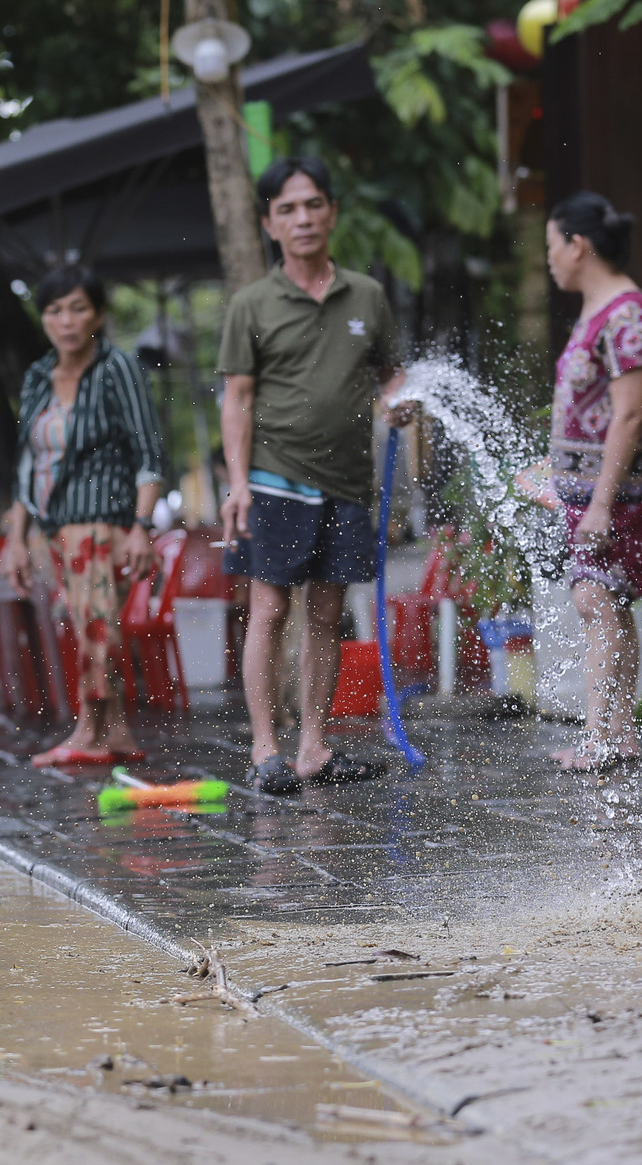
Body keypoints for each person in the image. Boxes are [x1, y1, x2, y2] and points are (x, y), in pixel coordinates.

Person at [219, 156, 409, 796]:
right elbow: (237, 397)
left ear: (331, 212)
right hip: (275, 479)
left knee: (327, 612)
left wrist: (402, 402)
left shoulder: (368, 296)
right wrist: (238, 483)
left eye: (313, 205)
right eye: (287, 209)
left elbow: (391, 378)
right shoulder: (252, 304)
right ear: (270, 224)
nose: (303, 219)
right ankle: (265, 748)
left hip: (348, 481)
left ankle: (313, 748)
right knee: (270, 608)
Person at [1, 264, 168, 768]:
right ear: (44, 319)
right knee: (89, 625)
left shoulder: (117, 368)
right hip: (56, 527)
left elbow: (149, 453)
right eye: (54, 310)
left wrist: (141, 527)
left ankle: (87, 730)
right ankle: (115, 731)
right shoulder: (37, 376)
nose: (67, 321)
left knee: (98, 627)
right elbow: (27, 462)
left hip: (103, 521)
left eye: (78, 308)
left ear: (97, 315)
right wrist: (16, 537)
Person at [541, 191, 642, 770]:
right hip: (593, 490)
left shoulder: (627, 315)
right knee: (607, 603)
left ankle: (601, 738)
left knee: (596, 601)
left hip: (617, 493)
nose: (549, 259)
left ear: (578, 244)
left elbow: (630, 414)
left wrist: (598, 502)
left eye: (551, 245)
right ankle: (617, 735)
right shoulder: (600, 313)